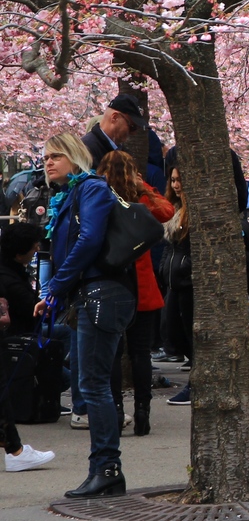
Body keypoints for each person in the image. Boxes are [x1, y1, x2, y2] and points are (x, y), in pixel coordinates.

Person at [35, 134, 131, 498]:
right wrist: (56, 293)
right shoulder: (71, 194)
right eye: (45, 156)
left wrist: (56, 287)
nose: (49, 162)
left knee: (93, 383)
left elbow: (89, 239)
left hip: (102, 293)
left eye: (56, 155)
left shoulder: (90, 188)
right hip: (90, 293)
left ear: (76, 157)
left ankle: (106, 468)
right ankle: (104, 469)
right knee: (90, 381)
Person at [92, 151, 173, 436]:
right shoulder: (140, 200)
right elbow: (167, 212)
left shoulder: (100, 197)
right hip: (143, 284)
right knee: (141, 354)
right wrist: (145, 188)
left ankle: (115, 410)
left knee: (113, 353)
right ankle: (143, 411)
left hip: (112, 282)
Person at [1, 222, 56, 472]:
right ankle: (15, 450)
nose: (37, 250)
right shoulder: (10, 278)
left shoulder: (12, 272)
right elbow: (28, 310)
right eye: (33, 248)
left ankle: (15, 449)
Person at [160, 167, 195, 405]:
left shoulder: (193, 212)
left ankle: (196, 384)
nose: (175, 185)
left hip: (186, 279)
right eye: (173, 180)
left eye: (179, 180)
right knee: (171, 330)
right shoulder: (173, 209)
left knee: (188, 334)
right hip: (173, 279)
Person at [80, 95, 145, 170]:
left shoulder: (121, 150)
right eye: (132, 126)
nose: (134, 133)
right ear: (114, 117)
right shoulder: (86, 149)